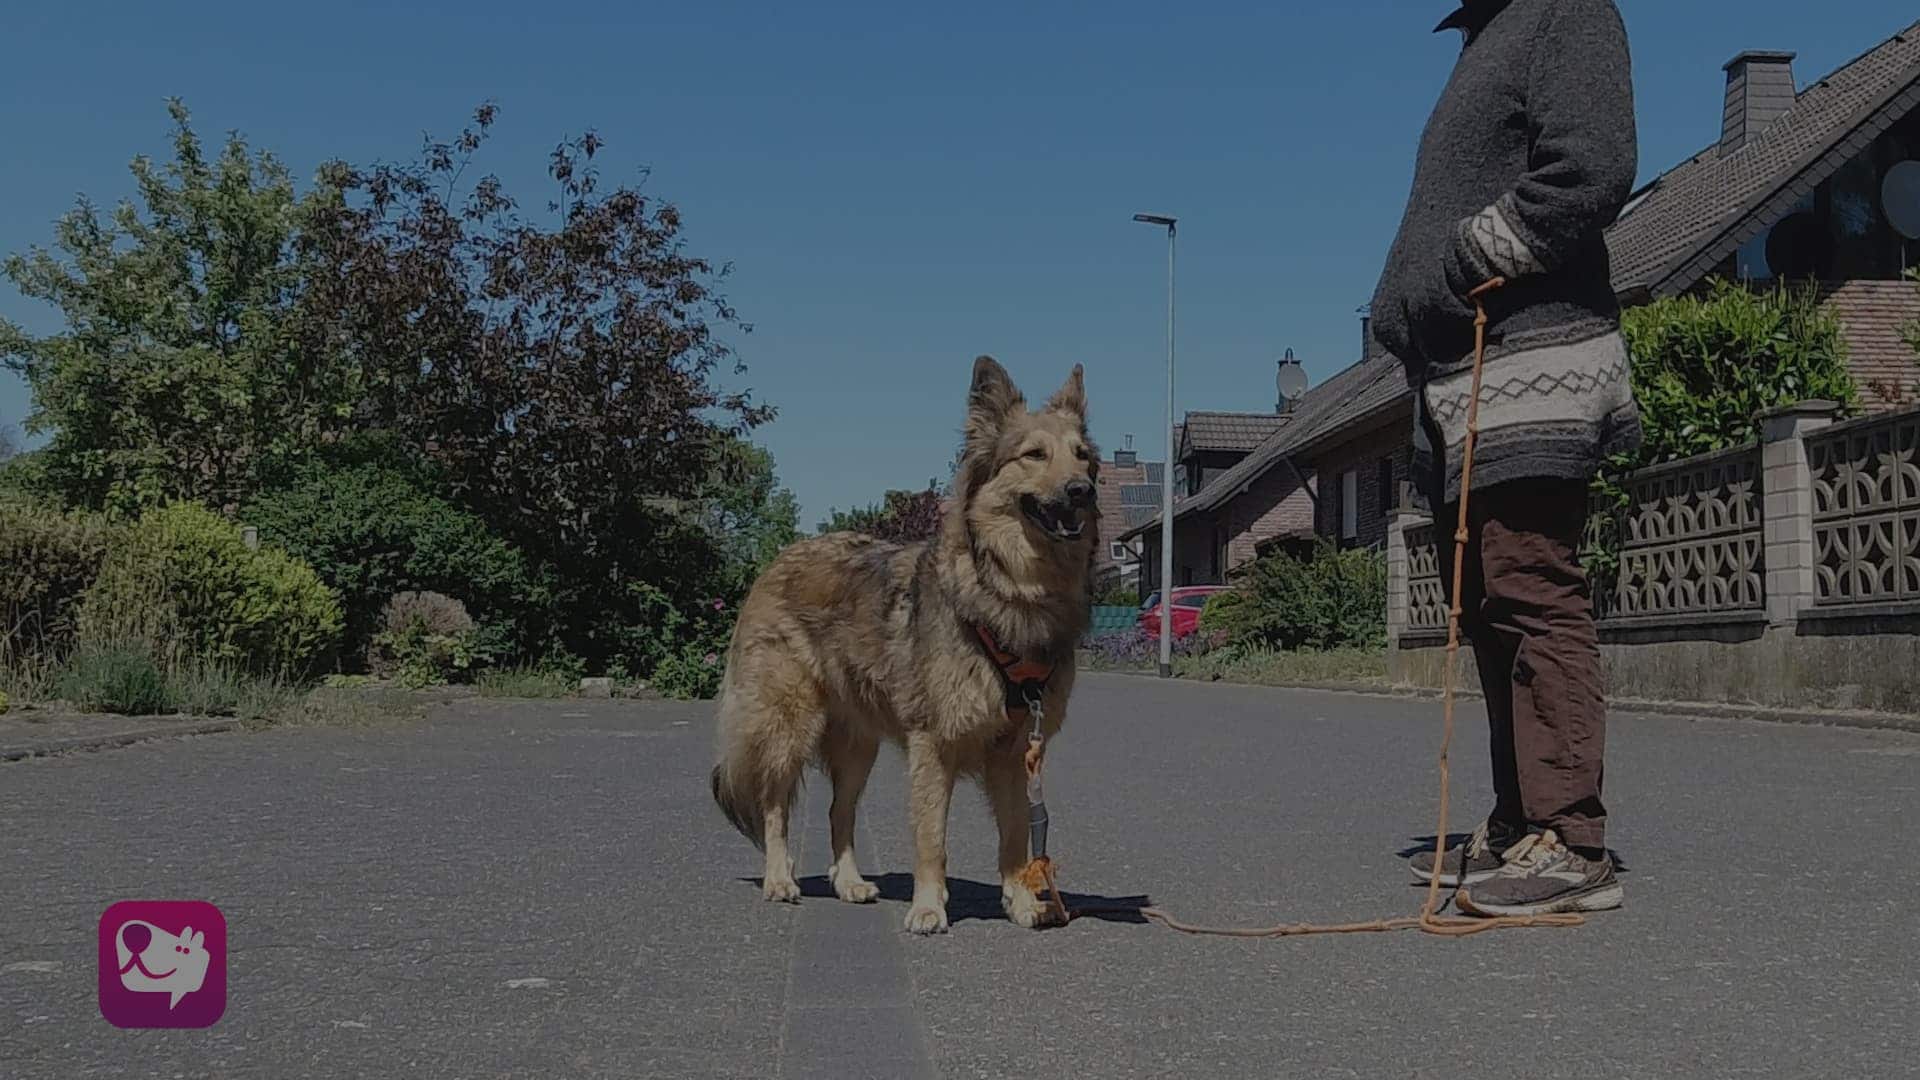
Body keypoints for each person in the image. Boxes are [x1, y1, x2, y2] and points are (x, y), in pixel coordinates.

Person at [1368, 0, 1639, 916]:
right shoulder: (1491, 36)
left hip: (1534, 365)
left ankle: (1571, 838)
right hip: (1467, 377)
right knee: (1487, 604)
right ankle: (1523, 818)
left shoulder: (1566, 12)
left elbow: (1592, 169)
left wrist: (1452, 265)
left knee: (1530, 589)